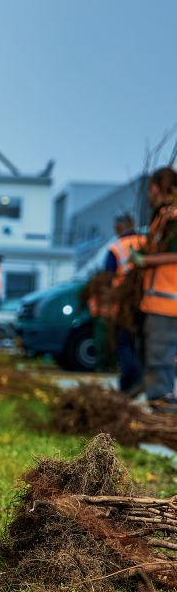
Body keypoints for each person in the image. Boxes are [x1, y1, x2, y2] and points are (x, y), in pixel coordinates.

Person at [130, 167, 177, 411]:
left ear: (157, 188)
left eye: (150, 188)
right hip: (158, 301)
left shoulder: (173, 216)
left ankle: (163, 407)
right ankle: (158, 400)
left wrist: (145, 261)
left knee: (160, 356)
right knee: (155, 354)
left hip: (167, 301)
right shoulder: (163, 217)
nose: (148, 194)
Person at [103, 213, 145, 393]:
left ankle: (133, 379)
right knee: (139, 342)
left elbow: (107, 278)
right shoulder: (146, 242)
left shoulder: (116, 248)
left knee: (123, 341)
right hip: (146, 300)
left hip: (123, 302)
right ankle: (129, 383)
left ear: (118, 228)